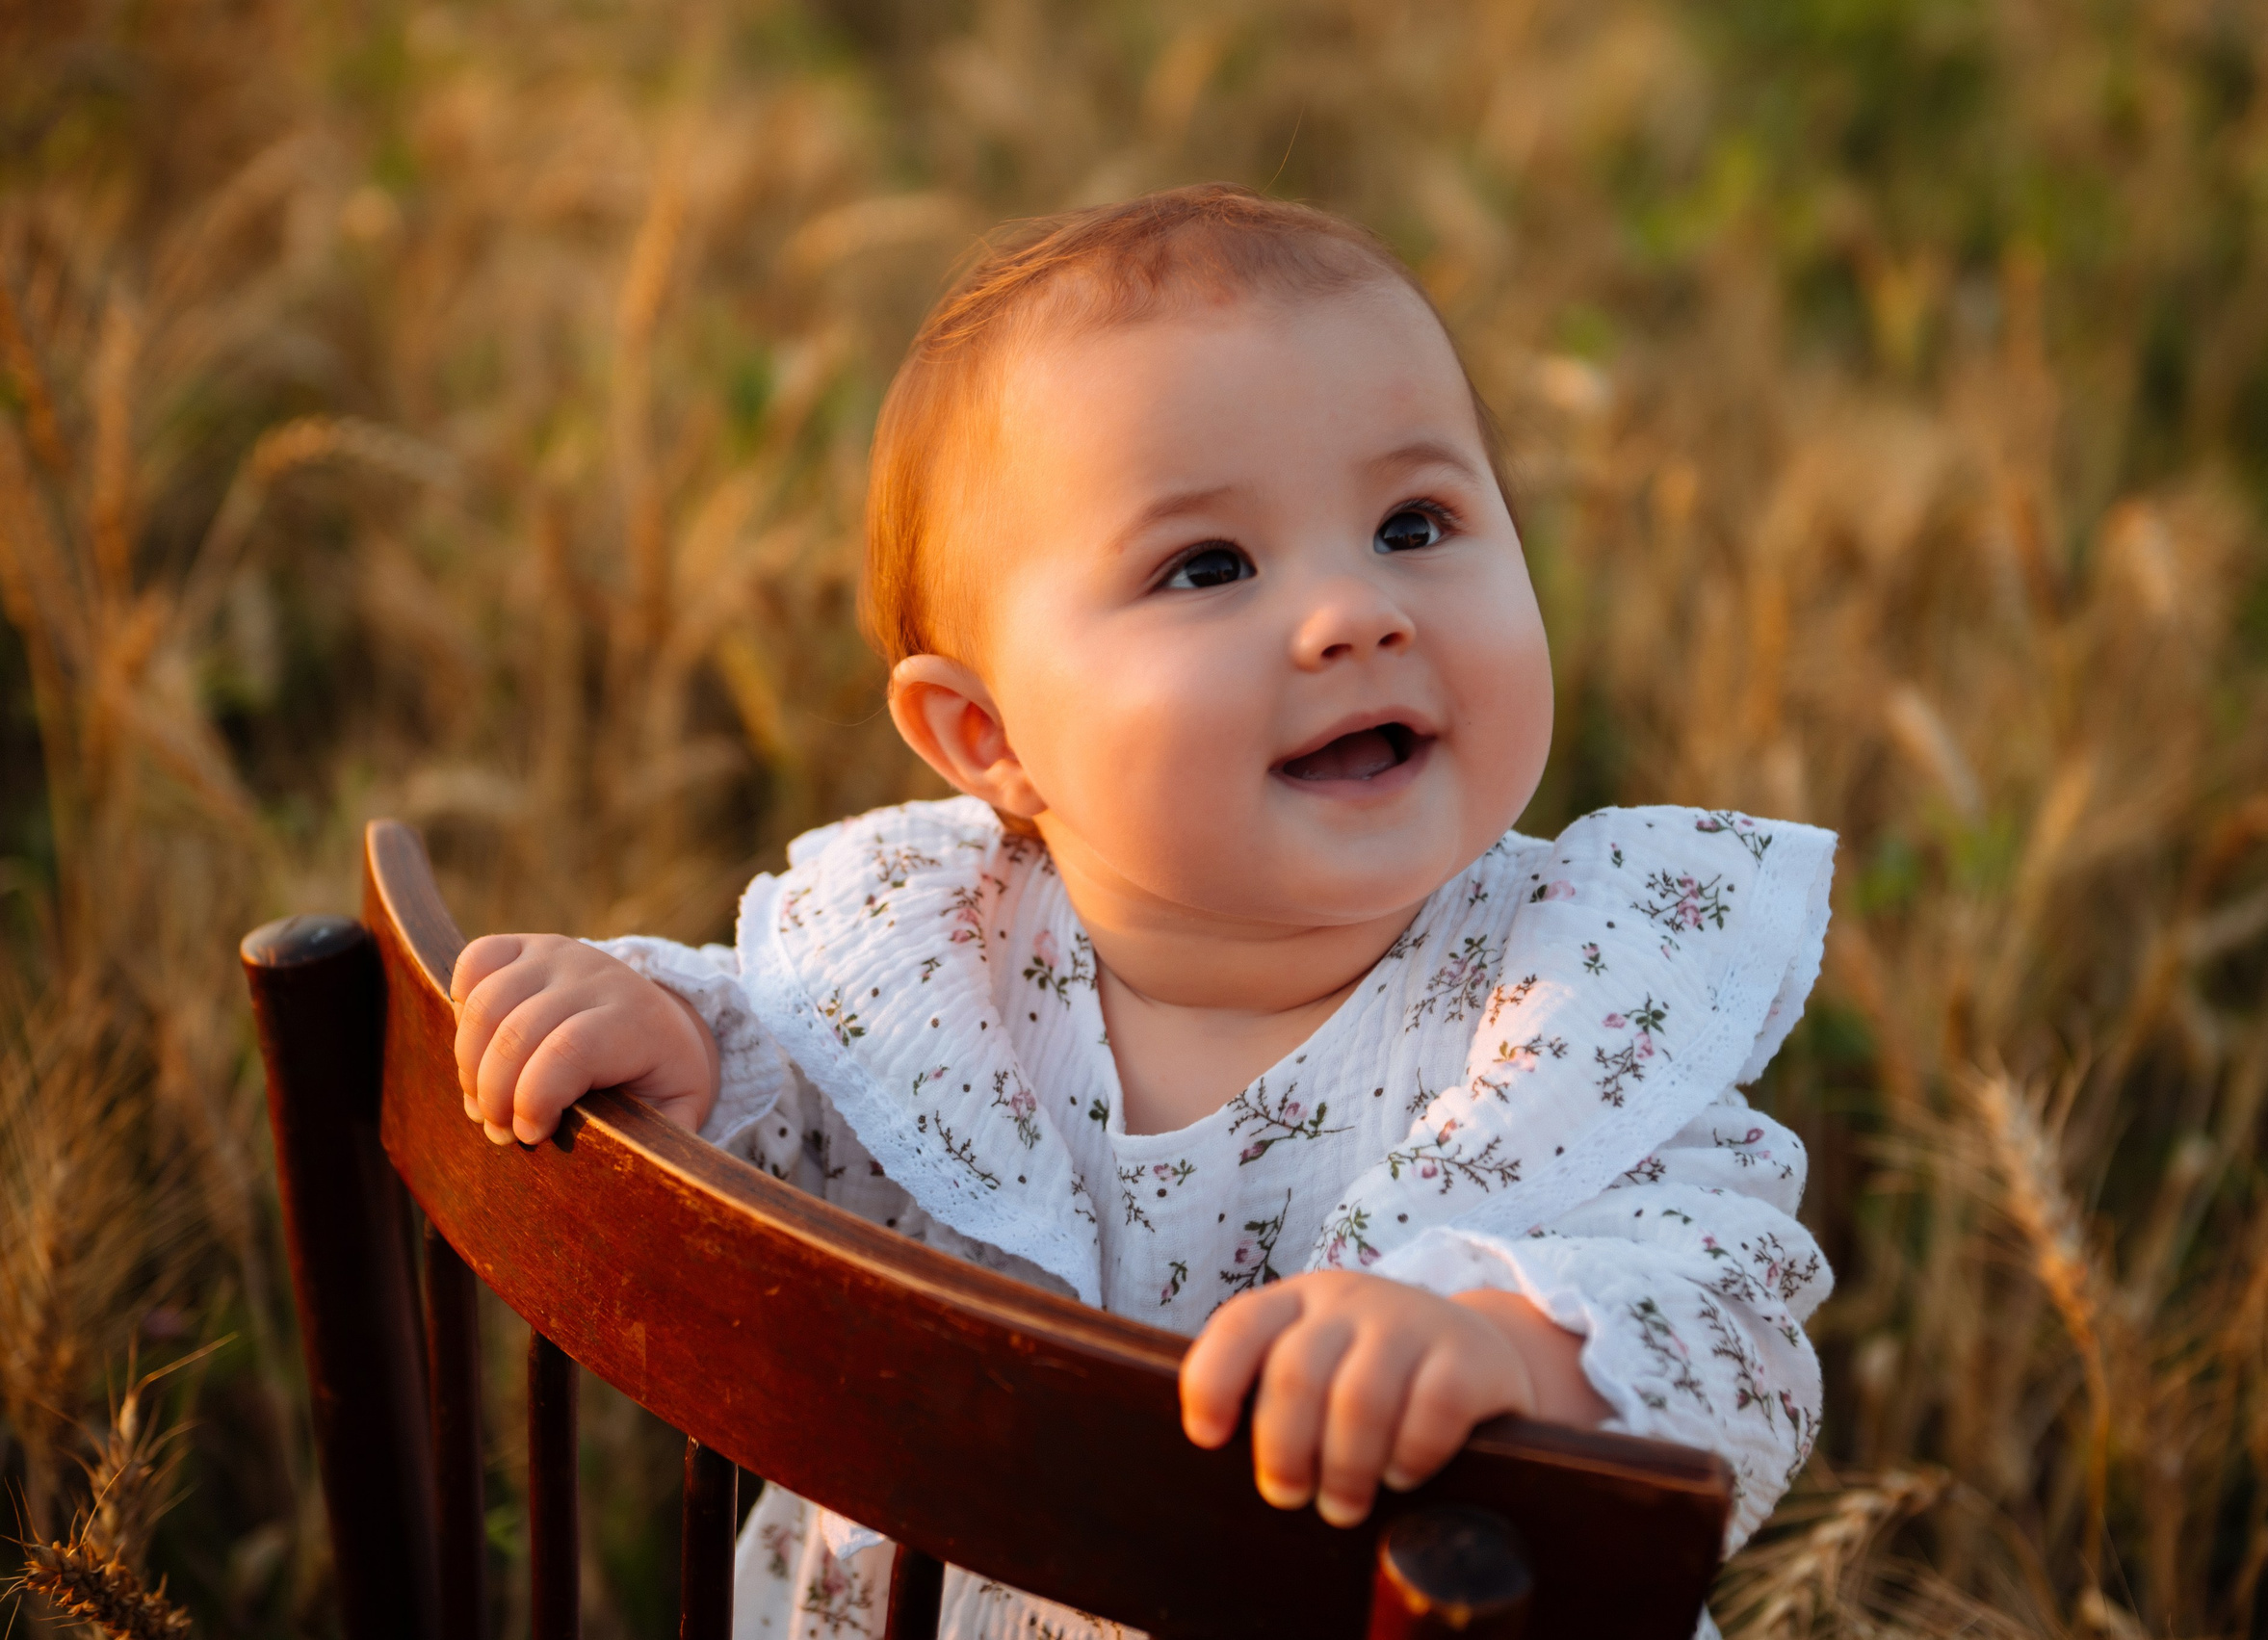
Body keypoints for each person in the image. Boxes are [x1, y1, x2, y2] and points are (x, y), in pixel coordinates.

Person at [451, 184, 1834, 1640]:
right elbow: (795, 1114)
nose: (1357, 613)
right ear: (990, 742)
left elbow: (1733, 1332)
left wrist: (1509, 1349)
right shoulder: (938, 952)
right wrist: (677, 1041)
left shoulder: (1579, 997)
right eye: (1210, 567)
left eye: (1415, 524)